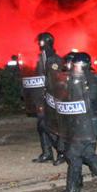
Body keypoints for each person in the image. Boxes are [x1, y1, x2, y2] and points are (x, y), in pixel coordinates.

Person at [56, 52, 97, 192]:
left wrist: (75, 84)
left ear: (83, 66)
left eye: (75, 65)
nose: (71, 68)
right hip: (78, 123)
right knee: (88, 155)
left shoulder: (93, 81)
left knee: (73, 154)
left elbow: (87, 103)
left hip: (89, 123)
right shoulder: (74, 80)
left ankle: (73, 190)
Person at [31, 32, 66, 165]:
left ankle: (62, 151)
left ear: (46, 41)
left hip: (51, 97)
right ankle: (47, 153)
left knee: (49, 125)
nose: (38, 44)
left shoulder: (54, 58)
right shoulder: (42, 57)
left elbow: (55, 79)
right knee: (41, 125)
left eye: (40, 41)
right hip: (41, 97)